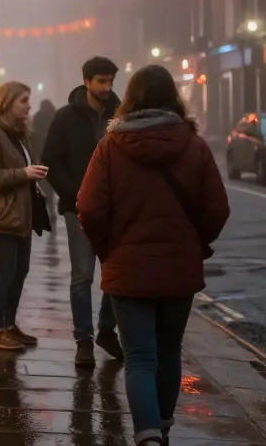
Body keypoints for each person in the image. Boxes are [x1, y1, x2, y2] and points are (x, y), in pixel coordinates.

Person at [77, 65, 230, 446]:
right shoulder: (194, 146)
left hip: (128, 269)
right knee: (169, 351)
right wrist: (196, 243)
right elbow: (217, 209)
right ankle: (162, 428)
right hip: (179, 266)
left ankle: (147, 437)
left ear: (130, 98)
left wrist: (106, 249)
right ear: (174, 98)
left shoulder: (110, 147)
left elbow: (90, 208)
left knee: (140, 357)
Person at [43, 56, 124, 367]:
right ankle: (84, 340)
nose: (106, 87)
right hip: (77, 208)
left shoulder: (121, 116)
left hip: (115, 209)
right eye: (100, 81)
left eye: (110, 82)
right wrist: (75, 195)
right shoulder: (66, 117)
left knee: (116, 274)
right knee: (83, 275)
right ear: (87, 81)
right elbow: (51, 159)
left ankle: (106, 329)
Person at [0, 82, 50, 351]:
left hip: (21, 213)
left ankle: (9, 325)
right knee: (6, 271)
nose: (29, 105)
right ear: (6, 103)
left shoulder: (19, 133)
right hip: (1, 213)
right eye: (24, 100)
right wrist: (23, 174)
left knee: (20, 271)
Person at [31, 99, 58, 211]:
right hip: (54, 152)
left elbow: (33, 133)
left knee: (43, 178)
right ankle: (50, 201)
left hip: (41, 152)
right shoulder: (55, 116)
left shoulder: (37, 116)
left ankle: (46, 201)